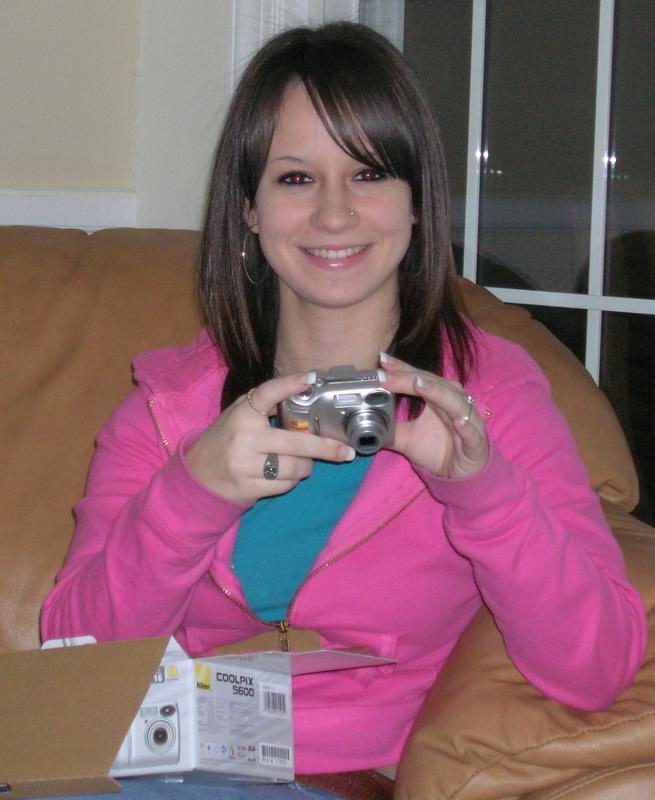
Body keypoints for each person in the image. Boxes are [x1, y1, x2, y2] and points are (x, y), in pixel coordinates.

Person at [41, 22, 646, 775]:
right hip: (149, 769)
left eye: (369, 174)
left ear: (416, 200)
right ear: (250, 208)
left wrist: (483, 493)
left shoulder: (489, 399)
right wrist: (191, 493)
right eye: (296, 178)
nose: (334, 214)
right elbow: (72, 668)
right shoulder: (168, 408)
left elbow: (596, 667)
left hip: (347, 777)